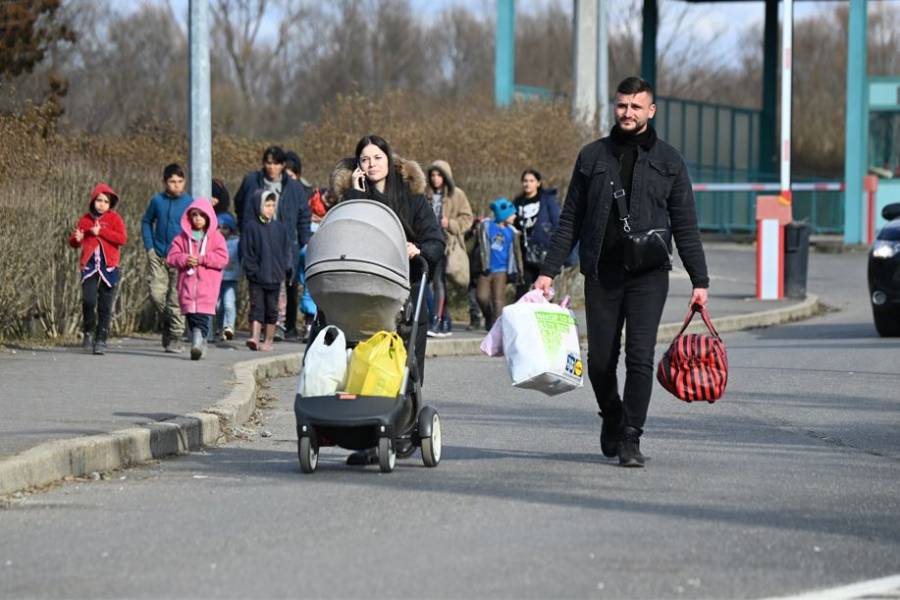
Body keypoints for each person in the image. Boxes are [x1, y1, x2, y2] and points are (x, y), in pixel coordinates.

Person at [535, 76, 710, 468]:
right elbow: (570, 221)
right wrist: (548, 272)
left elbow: (685, 225)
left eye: (635, 106)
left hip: (649, 276)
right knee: (598, 360)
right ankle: (611, 414)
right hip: (602, 272)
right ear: (614, 108)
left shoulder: (670, 161)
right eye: (621, 105)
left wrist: (700, 280)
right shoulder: (592, 157)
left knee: (639, 357)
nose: (627, 113)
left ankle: (631, 436)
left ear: (651, 110)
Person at [332, 134, 445, 465]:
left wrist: (419, 249)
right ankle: (367, 434)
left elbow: (435, 240)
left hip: (405, 295)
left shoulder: (412, 199)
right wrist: (353, 193)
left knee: (404, 369)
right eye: (364, 159)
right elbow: (343, 233)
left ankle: (400, 431)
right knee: (363, 365)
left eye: (377, 157)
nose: (371, 164)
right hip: (363, 296)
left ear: (389, 160)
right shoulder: (354, 200)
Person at [234, 146, 311, 342]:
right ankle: (257, 328)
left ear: (283, 165)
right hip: (256, 240)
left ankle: (277, 325)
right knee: (256, 288)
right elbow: (239, 203)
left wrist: (304, 242)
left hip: (282, 242)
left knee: (281, 288)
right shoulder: (252, 181)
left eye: (276, 163)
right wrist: (246, 228)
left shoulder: (294, 187)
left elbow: (303, 215)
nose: (271, 167)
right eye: (268, 162)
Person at [68, 183, 128, 355]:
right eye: (99, 200)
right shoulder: (85, 219)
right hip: (89, 267)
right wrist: (77, 238)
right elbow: (74, 242)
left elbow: (122, 239)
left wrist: (101, 232)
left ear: (110, 204)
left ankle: (101, 338)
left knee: (105, 305)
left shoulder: (115, 219)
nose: (101, 204)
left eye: (106, 201)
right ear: (93, 201)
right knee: (88, 301)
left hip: (109, 267)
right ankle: (88, 331)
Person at [166, 199, 229, 360]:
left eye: (202, 215)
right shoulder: (181, 238)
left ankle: (198, 341)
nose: (198, 218)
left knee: (202, 317)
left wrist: (202, 259)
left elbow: (222, 258)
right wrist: (185, 259)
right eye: (194, 215)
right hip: (187, 287)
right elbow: (172, 257)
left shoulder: (216, 238)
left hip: (207, 287)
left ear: (209, 217)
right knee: (192, 318)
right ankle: (199, 341)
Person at [141, 163, 193, 353]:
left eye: (180, 181)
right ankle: (169, 325)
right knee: (156, 294)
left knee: (175, 300)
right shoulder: (157, 201)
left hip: (180, 258)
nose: (176, 185)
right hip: (159, 255)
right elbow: (147, 221)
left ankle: (175, 337)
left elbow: (197, 227)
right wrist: (149, 247)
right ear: (164, 182)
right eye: (172, 182)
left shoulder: (189, 202)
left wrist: (191, 251)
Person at [424, 160, 474, 337]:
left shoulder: (456, 194)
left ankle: (437, 321)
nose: (435, 179)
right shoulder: (427, 194)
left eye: (439, 175)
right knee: (431, 282)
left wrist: (450, 223)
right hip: (429, 243)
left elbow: (468, 219)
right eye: (433, 175)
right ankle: (445, 320)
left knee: (438, 281)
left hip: (447, 244)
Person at [242, 191, 292, 351]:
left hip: (275, 277)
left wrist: (285, 268)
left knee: (272, 309)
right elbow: (247, 251)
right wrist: (252, 271)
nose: (270, 209)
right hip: (257, 277)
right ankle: (254, 337)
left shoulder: (280, 228)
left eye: (272, 205)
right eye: (266, 205)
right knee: (257, 307)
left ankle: (268, 340)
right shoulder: (251, 227)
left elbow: (286, 250)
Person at [474, 198, 523, 330]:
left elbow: (516, 254)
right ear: (504, 215)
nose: (515, 216)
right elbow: (479, 234)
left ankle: (497, 328)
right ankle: (488, 315)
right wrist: (477, 222)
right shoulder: (488, 226)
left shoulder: (512, 232)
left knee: (498, 300)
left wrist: (517, 271)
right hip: (486, 268)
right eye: (512, 214)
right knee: (481, 296)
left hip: (502, 270)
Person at [513, 168, 561, 299]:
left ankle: (547, 318)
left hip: (544, 252)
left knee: (544, 292)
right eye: (525, 181)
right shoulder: (518, 202)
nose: (527, 184)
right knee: (521, 292)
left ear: (538, 183)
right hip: (525, 254)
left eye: (531, 180)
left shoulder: (546, 200)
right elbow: (514, 224)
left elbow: (557, 222)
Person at [216, 212, 240, 341]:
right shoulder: (214, 241)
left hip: (231, 278)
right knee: (218, 306)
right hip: (216, 278)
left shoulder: (236, 242)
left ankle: (229, 327)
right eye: (218, 227)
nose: (221, 231)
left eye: (225, 228)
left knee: (229, 303)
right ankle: (219, 327)